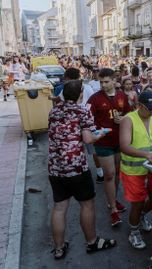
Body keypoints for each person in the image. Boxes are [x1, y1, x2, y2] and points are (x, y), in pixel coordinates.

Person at [48, 80, 116, 259]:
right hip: (76, 167)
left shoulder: (53, 110)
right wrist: (100, 133)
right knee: (87, 205)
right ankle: (92, 242)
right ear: (80, 95)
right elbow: (88, 139)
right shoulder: (82, 111)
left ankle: (59, 248)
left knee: (59, 207)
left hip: (55, 168)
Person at [119, 91, 152, 249]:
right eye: (149, 108)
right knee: (137, 203)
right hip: (134, 171)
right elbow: (124, 146)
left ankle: (140, 216)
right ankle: (134, 231)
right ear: (139, 106)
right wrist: (147, 154)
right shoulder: (128, 119)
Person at [87, 68, 132, 227]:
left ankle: (113, 200)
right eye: (101, 82)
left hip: (119, 142)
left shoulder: (122, 96)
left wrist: (124, 119)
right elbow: (86, 120)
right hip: (103, 143)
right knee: (110, 174)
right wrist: (93, 134)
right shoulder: (94, 99)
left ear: (114, 81)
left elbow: (130, 114)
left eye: (106, 81)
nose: (103, 85)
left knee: (118, 173)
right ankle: (113, 209)